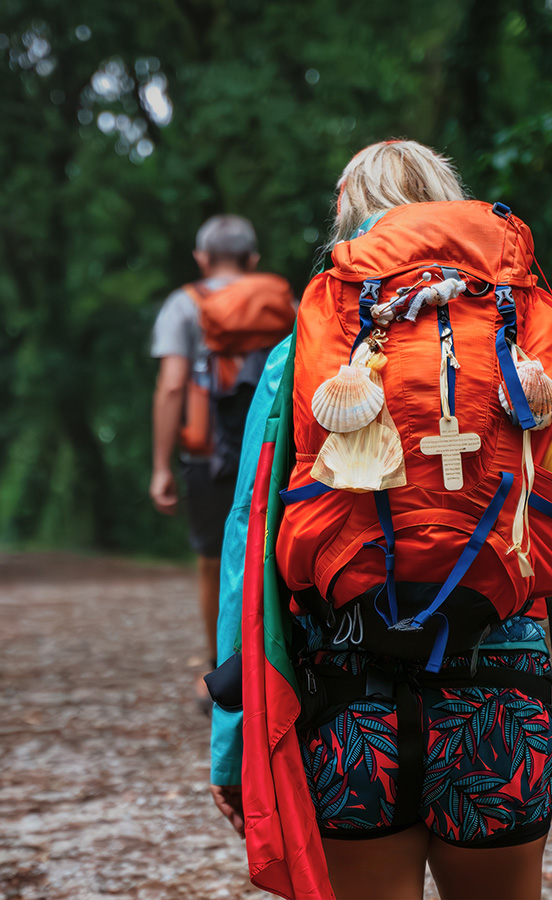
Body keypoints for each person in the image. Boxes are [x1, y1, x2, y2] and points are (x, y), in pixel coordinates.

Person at [209, 141, 552, 900]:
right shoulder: (521, 324)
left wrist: (233, 741)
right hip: (502, 684)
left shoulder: (308, 344)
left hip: (348, 691)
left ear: (346, 215)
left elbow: (249, 550)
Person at [150, 214, 294, 696]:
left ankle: (218, 671)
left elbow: (173, 386)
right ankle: (277, 664)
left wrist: (160, 467)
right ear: (253, 260)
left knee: (213, 559)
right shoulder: (283, 302)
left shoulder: (184, 305)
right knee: (274, 553)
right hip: (273, 449)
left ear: (201, 258)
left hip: (208, 454)